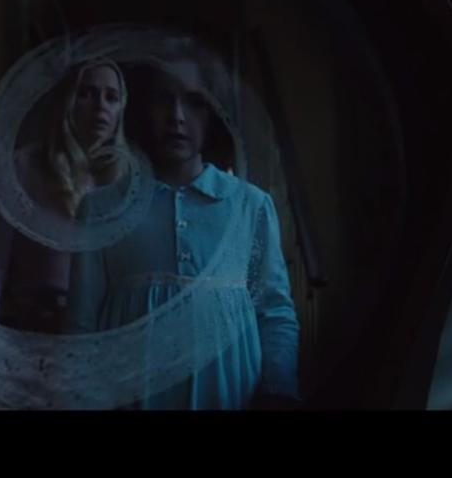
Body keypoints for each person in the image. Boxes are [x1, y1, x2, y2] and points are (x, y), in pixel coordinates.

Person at [64, 38, 301, 409]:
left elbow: (273, 311)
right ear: (143, 108)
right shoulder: (102, 208)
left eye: (193, 101)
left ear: (213, 113)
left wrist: (278, 389)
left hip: (229, 393)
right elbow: (82, 322)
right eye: (163, 99)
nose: (176, 116)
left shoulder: (248, 206)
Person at [0, 59, 130, 332]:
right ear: (67, 100)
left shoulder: (127, 184)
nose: (100, 106)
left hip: (102, 333)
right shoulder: (23, 167)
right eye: (86, 93)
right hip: (37, 325)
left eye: (111, 97)